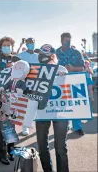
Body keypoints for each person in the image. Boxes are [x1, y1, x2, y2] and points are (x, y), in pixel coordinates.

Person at [35, 44, 69, 172]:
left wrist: (63, 77)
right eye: (41, 56)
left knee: (61, 147)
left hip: (60, 113)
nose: (42, 58)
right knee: (42, 147)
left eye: (46, 56)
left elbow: (69, 90)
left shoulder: (62, 69)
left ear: (54, 56)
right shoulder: (35, 71)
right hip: (41, 111)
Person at [0, 36, 20, 165]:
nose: (6, 47)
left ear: (12, 46)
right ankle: (1, 153)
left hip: (14, 97)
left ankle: (11, 150)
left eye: (8, 44)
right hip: (1, 96)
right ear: (0, 47)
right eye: (4, 45)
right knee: (2, 125)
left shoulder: (17, 59)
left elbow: (25, 73)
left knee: (12, 125)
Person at [56, 32, 85, 136]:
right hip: (60, 83)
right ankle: (65, 126)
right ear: (61, 41)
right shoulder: (56, 53)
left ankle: (77, 127)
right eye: (66, 40)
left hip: (74, 82)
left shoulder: (76, 52)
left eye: (69, 40)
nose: (68, 42)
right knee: (63, 105)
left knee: (75, 105)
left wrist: (72, 68)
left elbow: (82, 68)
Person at [17, 37, 39, 136]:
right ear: (26, 44)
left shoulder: (38, 56)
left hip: (37, 82)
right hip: (25, 82)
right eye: (29, 43)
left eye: (32, 42)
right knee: (26, 104)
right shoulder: (21, 55)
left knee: (36, 104)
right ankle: (25, 127)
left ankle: (34, 124)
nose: (30, 44)